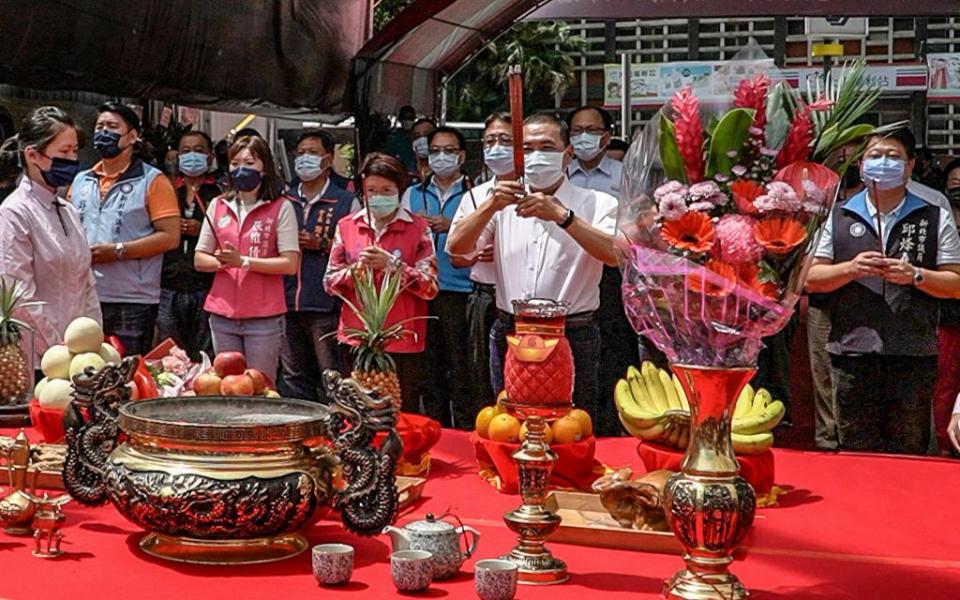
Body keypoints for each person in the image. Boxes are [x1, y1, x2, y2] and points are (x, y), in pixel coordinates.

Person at [447, 113, 618, 430]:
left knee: (572, 428)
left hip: (573, 332)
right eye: (527, 148)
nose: (537, 156)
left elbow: (614, 256)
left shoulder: (598, 203)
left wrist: (563, 216)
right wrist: (489, 207)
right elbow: (456, 249)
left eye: (547, 147)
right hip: (513, 329)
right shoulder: (499, 200)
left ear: (567, 154)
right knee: (509, 426)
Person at [805, 128, 960, 455]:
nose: (883, 163)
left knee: (909, 453)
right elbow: (811, 279)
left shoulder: (934, 215)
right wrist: (851, 269)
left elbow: (955, 284)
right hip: (852, 354)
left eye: (893, 157)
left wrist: (915, 275)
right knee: (856, 452)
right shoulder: (839, 215)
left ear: (910, 165)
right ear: (861, 165)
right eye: (875, 156)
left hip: (913, 355)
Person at [324, 153, 439, 414]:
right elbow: (329, 282)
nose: (378, 196)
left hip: (402, 338)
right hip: (358, 338)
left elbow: (430, 286)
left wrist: (393, 266)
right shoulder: (347, 226)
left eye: (386, 190)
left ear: (399, 189)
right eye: (371, 190)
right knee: (357, 411)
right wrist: (357, 271)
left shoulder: (418, 228)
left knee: (400, 411)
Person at [72, 103, 180, 357]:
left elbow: (170, 236)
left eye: (112, 127)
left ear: (132, 136)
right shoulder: (81, 180)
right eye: (100, 127)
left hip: (133, 299)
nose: (103, 132)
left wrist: (118, 251)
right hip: (85, 295)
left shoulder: (153, 180)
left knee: (127, 373)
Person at [194, 136, 300, 383]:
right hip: (222, 314)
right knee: (226, 385)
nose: (241, 168)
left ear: (264, 168)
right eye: (235, 162)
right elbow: (200, 258)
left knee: (260, 385)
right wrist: (223, 261)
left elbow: (290, 264)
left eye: (250, 162)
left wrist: (243, 262)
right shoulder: (218, 205)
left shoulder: (281, 207)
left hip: (263, 317)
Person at [0, 106, 100, 363]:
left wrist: (92, 342)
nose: (72, 159)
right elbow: (18, 295)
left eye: (75, 150)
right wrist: (59, 350)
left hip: (78, 359)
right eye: (64, 152)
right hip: (37, 358)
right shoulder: (14, 212)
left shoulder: (68, 210)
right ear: (33, 155)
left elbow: (87, 283)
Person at [566, 105, 635, 436]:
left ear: (606, 137)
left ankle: (611, 423)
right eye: (576, 131)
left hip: (612, 273)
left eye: (591, 131)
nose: (583, 137)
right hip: (572, 273)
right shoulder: (561, 176)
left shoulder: (625, 175)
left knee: (613, 347)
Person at [402, 126, 474, 427]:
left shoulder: (475, 192)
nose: (441, 157)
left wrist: (452, 226)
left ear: (461, 155)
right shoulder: (412, 193)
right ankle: (434, 428)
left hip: (461, 289)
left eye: (449, 150)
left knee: (461, 366)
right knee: (428, 368)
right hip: (421, 290)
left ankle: (465, 428)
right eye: (435, 151)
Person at [279, 130, 355, 402]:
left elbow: (354, 248)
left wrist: (322, 244)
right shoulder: (283, 199)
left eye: (312, 153)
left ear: (328, 159)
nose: (304, 159)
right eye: (300, 153)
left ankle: (339, 427)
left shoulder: (345, 200)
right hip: (285, 300)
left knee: (331, 373)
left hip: (324, 303)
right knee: (292, 375)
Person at [447, 112, 512, 424]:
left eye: (505, 140)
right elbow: (455, 255)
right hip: (483, 298)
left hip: (522, 304)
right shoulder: (476, 195)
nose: (496, 147)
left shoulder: (539, 194)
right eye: (490, 141)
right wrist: (475, 254)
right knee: (481, 379)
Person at [808, 147, 864, 450]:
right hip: (822, 300)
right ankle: (827, 442)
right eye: (839, 153)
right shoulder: (812, 195)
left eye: (853, 152)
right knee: (823, 375)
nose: (846, 158)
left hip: (863, 299)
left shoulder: (878, 199)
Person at [155, 130, 220, 361]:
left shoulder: (220, 193)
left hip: (205, 286)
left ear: (210, 158)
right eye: (186, 151)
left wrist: (200, 229)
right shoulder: (166, 189)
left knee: (204, 352)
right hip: (169, 284)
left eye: (199, 151)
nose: (192, 156)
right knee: (171, 354)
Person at [932, 157, 960, 454]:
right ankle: (942, 448)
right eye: (955, 185)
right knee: (943, 389)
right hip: (948, 320)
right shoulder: (938, 223)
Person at [384, 105, 418, 174]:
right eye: (404, 118)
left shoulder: (418, 136)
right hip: (398, 172)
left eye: (410, 118)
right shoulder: (393, 137)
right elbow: (388, 157)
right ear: (400, 120)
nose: (407, 121)